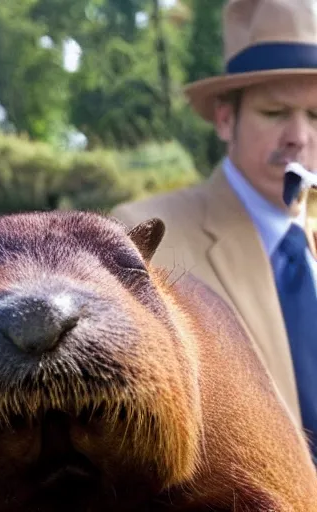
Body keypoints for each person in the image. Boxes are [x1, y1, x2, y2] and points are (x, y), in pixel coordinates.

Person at [111, 0, 317, 460]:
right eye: (275, 112)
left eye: (316, 117)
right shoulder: (145, 240)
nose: (299, 137)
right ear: (225, 119)